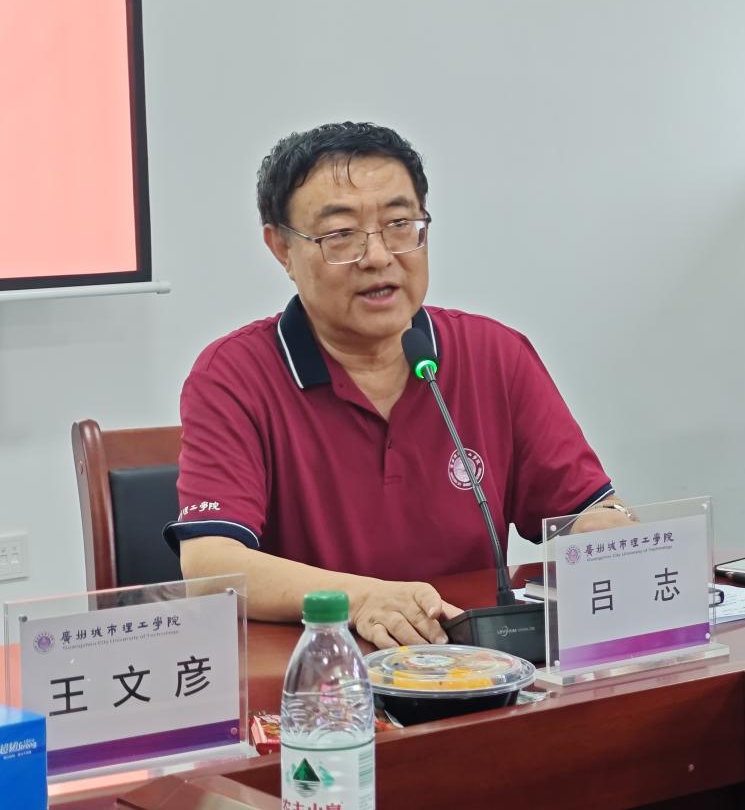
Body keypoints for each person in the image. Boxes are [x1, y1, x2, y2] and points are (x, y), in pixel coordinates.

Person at [165, 122, 632, 648]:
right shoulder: (233, 375)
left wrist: (605, 529)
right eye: (340, 234)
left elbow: (585, 510)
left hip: (477, 667)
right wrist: (363, 599)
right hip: (324, 674)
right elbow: (211, 566)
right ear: (282, 249)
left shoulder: (494, 354)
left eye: (399, 224)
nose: (378, 257)